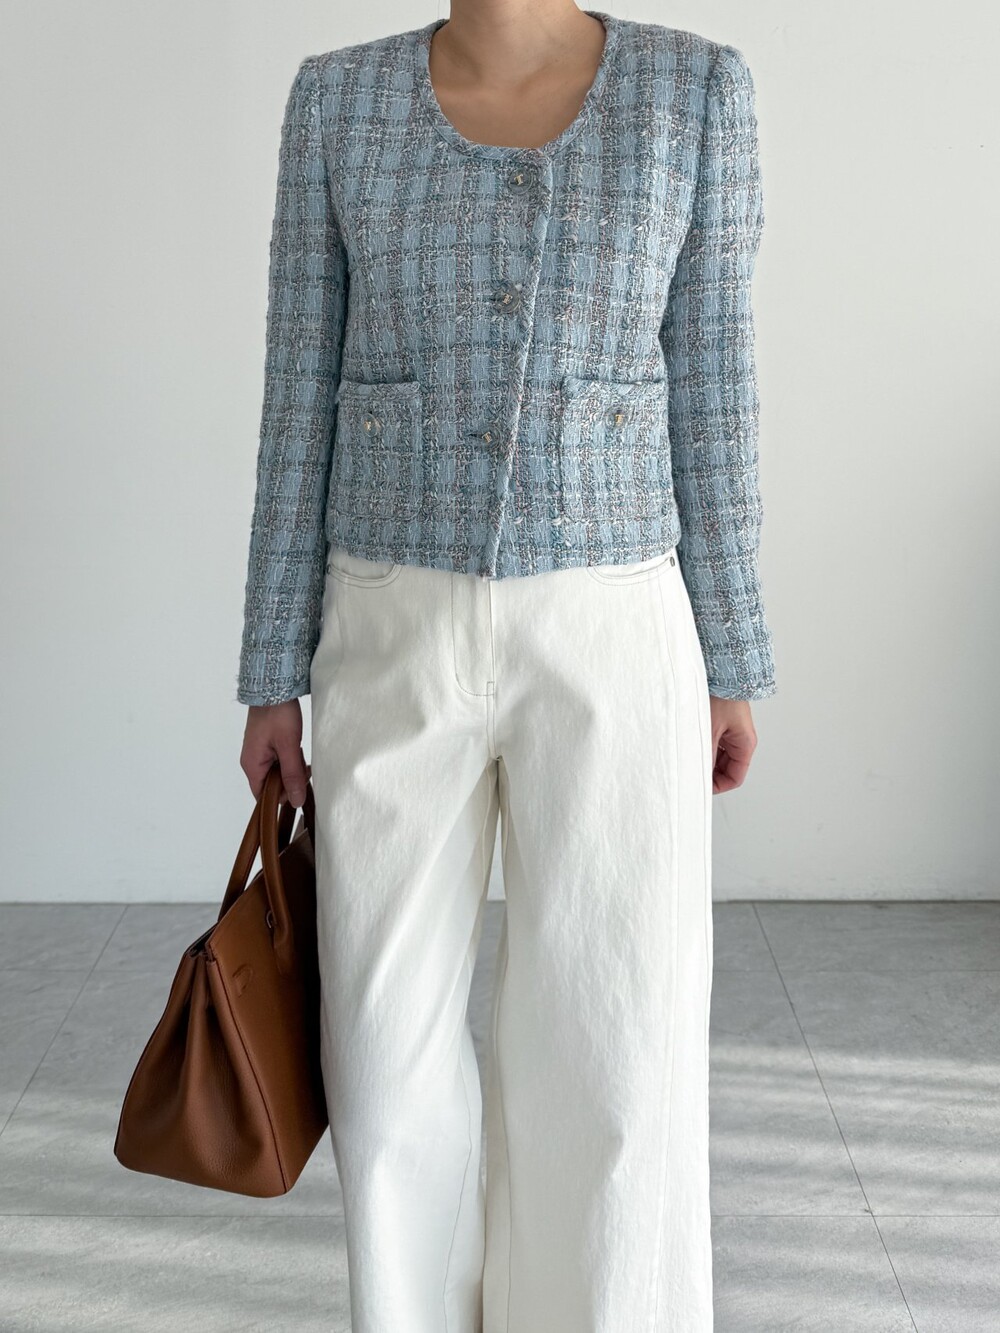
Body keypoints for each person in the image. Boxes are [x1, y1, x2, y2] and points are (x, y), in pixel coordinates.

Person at [237, 4, 776, 1329]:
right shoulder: (337, 100)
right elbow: (297, 390)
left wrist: (732, 651)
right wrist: (269, 667)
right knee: (380, 1057)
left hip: (615, 628)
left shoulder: (695, 94)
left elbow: (713, 386)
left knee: (616, 1045)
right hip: (388, 622)